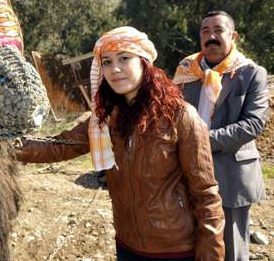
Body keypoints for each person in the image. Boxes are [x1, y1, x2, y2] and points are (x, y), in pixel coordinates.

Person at [15, 26, 225, 260]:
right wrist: (0, 146)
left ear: (143, 63)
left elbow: (205, 193)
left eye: (124, 58)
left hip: (174, 248)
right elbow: (58, 145)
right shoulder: (105, 120)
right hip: (127, 245)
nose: (114, 69)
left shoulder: (180, 116)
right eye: (106, 62)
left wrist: (211, 253)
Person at [173, 11, 269, 261]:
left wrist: (200, 141)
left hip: (231, 175)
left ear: (233, 35)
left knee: (231, 251)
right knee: (190, 246)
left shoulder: (251, 73)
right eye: (205, 31)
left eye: (218, 30)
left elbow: (253, 124)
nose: (211, 36)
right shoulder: (186, 72)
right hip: (188, 174)